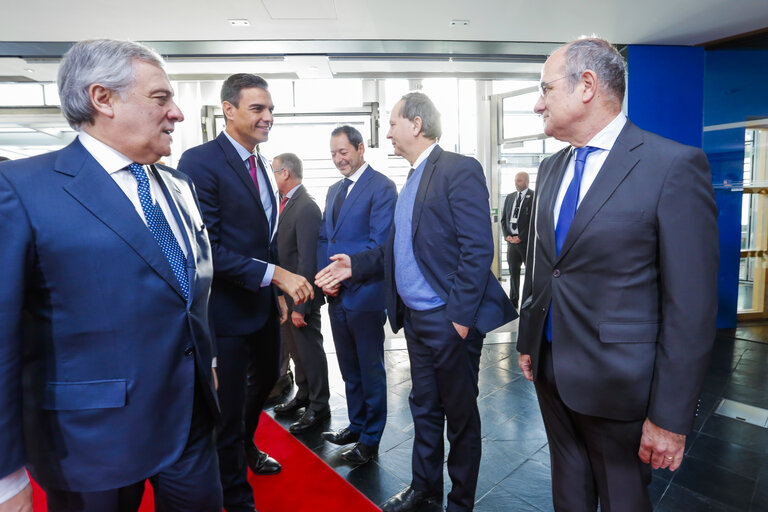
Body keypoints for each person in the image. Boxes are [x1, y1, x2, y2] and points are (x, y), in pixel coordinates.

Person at [0, 39, 222, 511]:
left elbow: (188, 293)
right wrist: (5, 473)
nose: (177, 113)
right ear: (103, 99)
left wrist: (210, 362)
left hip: (191, 423)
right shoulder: (22, 190)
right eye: (161, 99)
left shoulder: (180, 186)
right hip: (89, 442)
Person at [516, 37, 718, 511]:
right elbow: (546, 266)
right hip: (550, 369)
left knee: (623, 496)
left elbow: (690, 306)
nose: (537, 103)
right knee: (568, 489)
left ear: (586, 86)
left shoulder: (672, 166)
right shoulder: (550, 168)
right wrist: (530, 340)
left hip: (621, 385)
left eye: (545, 89)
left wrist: (669, 418)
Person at [316, 93, 516, 512]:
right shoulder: (411, 179)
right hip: (417, 321)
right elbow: (394, 248)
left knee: (459, 418)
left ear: (417, 124)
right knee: (423, 407)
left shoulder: (458, 169)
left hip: (449, 320)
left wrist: (459, 320)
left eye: (392, 123)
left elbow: (478, 249)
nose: (387, 132)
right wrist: (357, 263)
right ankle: (424, 488)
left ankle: (460, 502)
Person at [177, 74, 313, 512]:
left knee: (267, 383)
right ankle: (236, 498)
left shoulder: (261, 163)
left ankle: (244, 445)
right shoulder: (200, 162)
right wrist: (278, 277)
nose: (268, 118)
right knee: (228, 408)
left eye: (270, 109)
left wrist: (273, 293)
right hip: (225, 312)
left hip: (259, 306)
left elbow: (264, 237)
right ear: (228, 110)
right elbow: (209, 250)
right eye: (257, 109)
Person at [317, 125, 397, 465]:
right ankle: (357, 424)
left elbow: (380, 243)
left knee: (370, 368)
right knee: (349, 367)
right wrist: (326, 279)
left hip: (365, 293)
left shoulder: (382, 187)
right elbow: (325, 239)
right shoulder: (334, 190)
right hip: (336, 294)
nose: (338, 160)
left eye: (343, 152)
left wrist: (345, 274)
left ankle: (371, 439)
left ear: (360, 148)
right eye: (334, 154)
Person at [271, 152, 331, 433]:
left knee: (310, 352)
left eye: (274, 172)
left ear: (285, 173)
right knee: (297, 352)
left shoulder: (306, 207)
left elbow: (307, 260)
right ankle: (304, 395)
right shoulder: (285, 204)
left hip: (301, 298)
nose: (272, 177)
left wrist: (301, 306)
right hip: (286, 297)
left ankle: (319, 405)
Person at [500, 171, 534, 305]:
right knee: (513, 271)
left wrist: (521, 237)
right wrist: (507, 236)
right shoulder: (509, 197)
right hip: (511, 242)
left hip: (525, 243)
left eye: (519, 181)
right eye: (515, 180)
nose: (516, 183)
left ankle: (529, 300)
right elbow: (504, 219)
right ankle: (513, 300)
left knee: (530, 273)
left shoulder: (534, 197)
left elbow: (533, 221)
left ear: (527, 181)